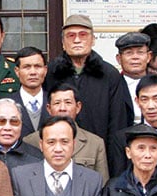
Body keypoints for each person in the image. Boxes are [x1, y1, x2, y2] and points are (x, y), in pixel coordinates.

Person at [44, 14, 130, 142]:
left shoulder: (109, 75)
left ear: (93, 40)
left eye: (83, 35)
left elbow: (118, 122)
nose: (77, 40)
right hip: (57, 150)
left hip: (97, 153)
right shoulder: (51, 72)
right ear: (63, 43)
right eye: (71, 36)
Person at [24, 84, 109, 181]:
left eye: (68, 103)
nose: (62, 108)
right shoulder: (30, 141)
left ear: (78, 107)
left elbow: (102, 184)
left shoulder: (95, 143)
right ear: (48, 108)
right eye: (57, 103)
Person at [0, 98, 42, 170]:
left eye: (14, 121)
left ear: (21, 125)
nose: (8, 128)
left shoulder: (37, 157)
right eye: (1, 121)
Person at [114, 32, 151, 124]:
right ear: (119, 59)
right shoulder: (112, 86)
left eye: (140, 52)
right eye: (129, 53)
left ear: (149, 57)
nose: (135, 57)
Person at [10, 46, 48, 136]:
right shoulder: (7, 104)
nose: (33, 72)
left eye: (37, 66)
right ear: (17, 71)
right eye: (27, 67)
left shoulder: (54, 102)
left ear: (45, 70)